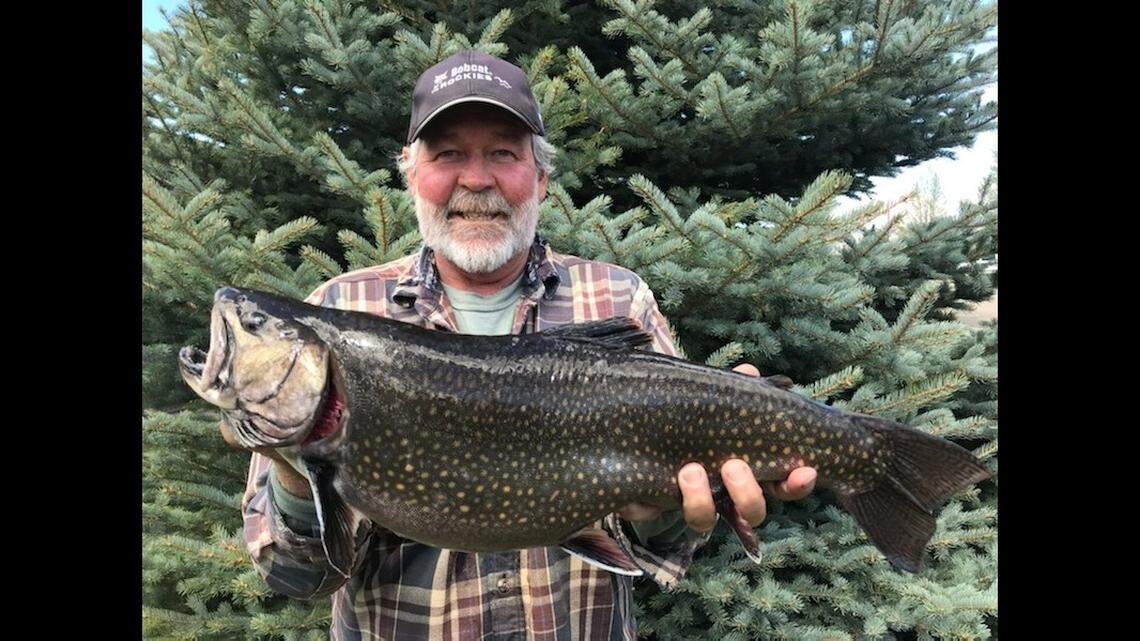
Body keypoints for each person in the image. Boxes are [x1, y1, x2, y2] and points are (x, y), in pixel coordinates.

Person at [227, 50, 817, 641]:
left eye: (503, 153)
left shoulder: (617, 298)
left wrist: (667, 512)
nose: (476, 179)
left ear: (539, 176)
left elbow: (658, 543)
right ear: (411, 173)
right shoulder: (335, 315)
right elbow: (292, 576)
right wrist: (299, 476)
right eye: (448, 153)